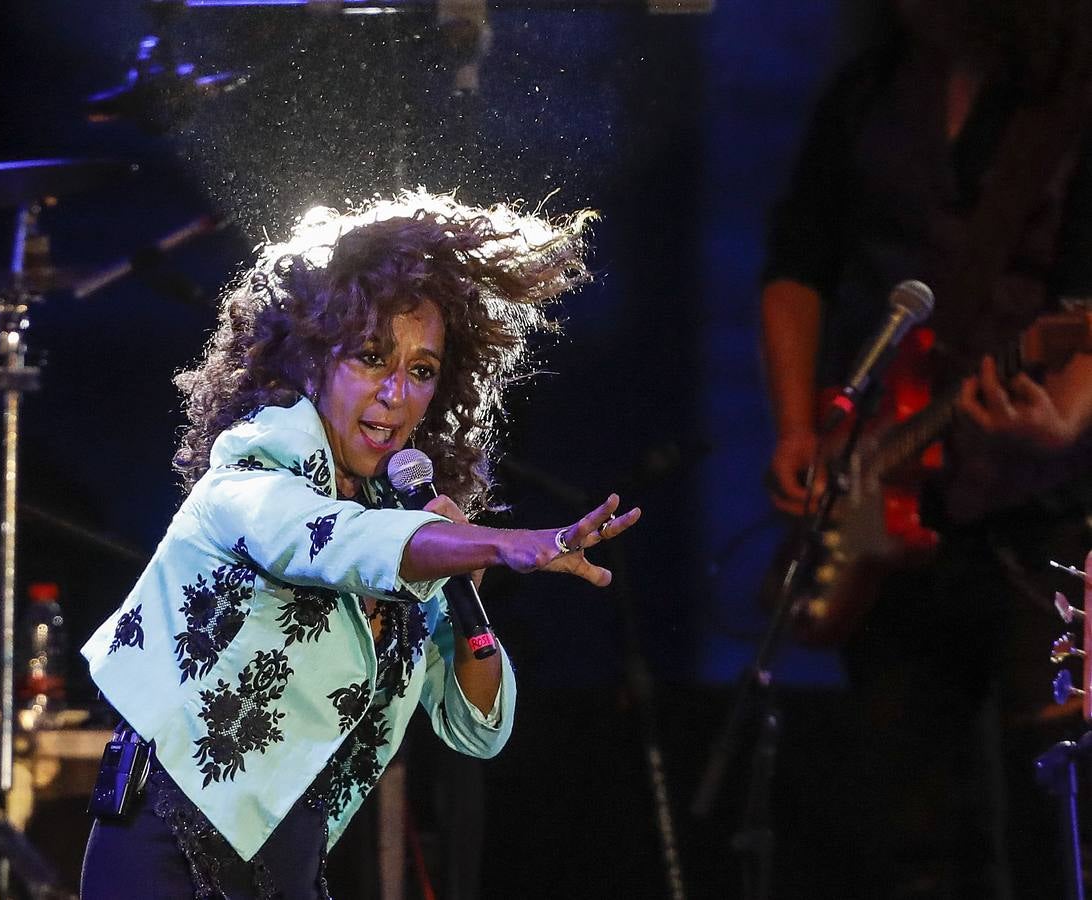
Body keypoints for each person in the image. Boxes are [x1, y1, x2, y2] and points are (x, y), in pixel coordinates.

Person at [78, 190, 641, 899]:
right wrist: (497, 544)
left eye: (423, 370)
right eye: (372, 357)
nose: (396, 393)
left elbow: (475, 727)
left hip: (282, 856)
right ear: (312, 360)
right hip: (170, 839)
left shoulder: (400, 520)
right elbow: (327, 541)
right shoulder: (249, 474)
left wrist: (464, 586)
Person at [761, 2, 1092, 896]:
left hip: (1048, 516)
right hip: (887, 515)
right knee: (910, 834)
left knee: (1059, 809)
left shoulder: (1073, 90)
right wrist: (799, 427)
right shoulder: (871, 90)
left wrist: (1065, 418)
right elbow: (798, 263)